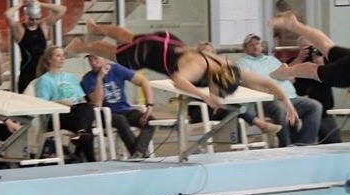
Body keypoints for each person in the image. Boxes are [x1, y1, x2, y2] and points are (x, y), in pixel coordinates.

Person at [66, 20, 300, 125]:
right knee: (116, 53)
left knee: (128, 36)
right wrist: (205, 97)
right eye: (217, 89)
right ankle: (82, 45)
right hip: (152, 51)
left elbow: (268, 84)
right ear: (216, 81)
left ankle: (96, 28)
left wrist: (287, 104)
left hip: (168, 41)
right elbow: (178, 81)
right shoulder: (198, 67)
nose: (216, 92)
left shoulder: (228, 66)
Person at [237, 33, 321, 147]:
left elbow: (290, 78)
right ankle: (285, 145)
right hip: (267, 100)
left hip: (290, 97)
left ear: (261, 46)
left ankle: (304, 144)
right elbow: (246, 83)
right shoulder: (242, 63)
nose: (255, 46)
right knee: (279, 108)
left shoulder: (271, 60)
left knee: (315, 106)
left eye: (257, 43)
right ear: (245, 48)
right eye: (251, 45)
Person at [81, 54, 156, 158]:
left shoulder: (116, 69)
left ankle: (139, 151)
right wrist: (99, 78)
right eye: (90, 60)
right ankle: (138, 153)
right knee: (120, 120)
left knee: (150, 121)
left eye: (96, 58)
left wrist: (149, 105)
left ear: (105, 59)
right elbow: (97, 102)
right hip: (104, 114)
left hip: (124, 110)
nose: (93, 63)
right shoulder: (87, 79)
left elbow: (143, 81)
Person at [35, 45, 98, 163]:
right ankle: (87, 157)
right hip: (57, 116)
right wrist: (61, 102)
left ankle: (82, 137)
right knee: (86, 125)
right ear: (49, 59)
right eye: (58, 56)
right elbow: (42, 104)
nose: (62, 58)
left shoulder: (71, 77)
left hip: (75, 113)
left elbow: (81, 99)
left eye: (63, 56)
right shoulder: (44, 80)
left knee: (88, 107)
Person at [6, 0, 67, 93]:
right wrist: (20, 4)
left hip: (44, 72)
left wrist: (40, 4)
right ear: (26, 16)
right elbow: (7, 15)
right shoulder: (20, 29)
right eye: (31, 19)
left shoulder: (43, 25)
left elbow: (62, 9)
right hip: (27, 73)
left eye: (37, 19)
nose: (34, 22)